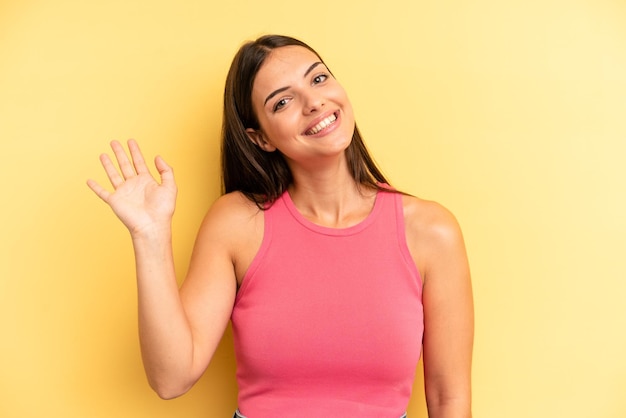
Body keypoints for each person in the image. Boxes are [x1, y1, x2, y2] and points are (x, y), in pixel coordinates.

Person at [87, 35, 474, 418]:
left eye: (318, 79)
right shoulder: (237, 224)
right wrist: (150, 237)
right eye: (283, 101)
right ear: (261, 139)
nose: (314, 102)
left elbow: (449, 399)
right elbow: (171, 378)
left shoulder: (431, 231)